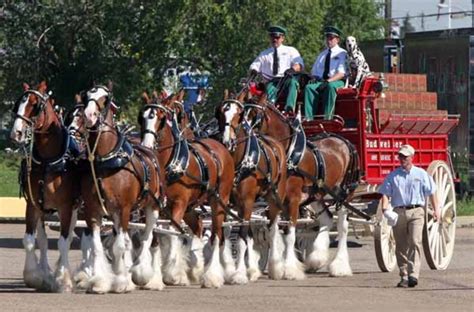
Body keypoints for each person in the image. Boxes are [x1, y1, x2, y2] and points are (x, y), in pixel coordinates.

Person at [379, 144, 440, 288]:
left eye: (405, 156)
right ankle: (404, 275)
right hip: (399, 212)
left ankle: (414, 274)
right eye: (400, 156)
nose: (402, 159)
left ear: (412, 157)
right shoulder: (393, 176)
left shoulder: (421, 174)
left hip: (417, 211)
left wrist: (437, 209)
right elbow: (385, 194)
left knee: (414, 241)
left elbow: (432, 192)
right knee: (400, 245)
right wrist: (385, 209)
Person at [249, 25, 304, 113]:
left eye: (277, 37)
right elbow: (255, 65)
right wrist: (254, 71)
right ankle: (269, 111)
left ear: (282, 38)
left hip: (286, 79)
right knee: (269, 90)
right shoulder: (264, 54)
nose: (274, 39)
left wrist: (292, 69)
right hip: (272, 82)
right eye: (272, 37)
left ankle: (289, 109)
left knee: (293, 83)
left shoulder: (291, 50)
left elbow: (300, 64)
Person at [304, 26, 347, 120]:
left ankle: (328, 118)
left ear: (337, 39)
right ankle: (309, 118)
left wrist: (328, 81)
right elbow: (314, 72)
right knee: (309, 88)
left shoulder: (342, 53)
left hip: (337, 81)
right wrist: (313, 78)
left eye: (331, 38)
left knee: (330, 87)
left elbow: (341, 73)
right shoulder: (322, 54)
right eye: (327, 37)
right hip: (322, 81)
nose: (329, 40)